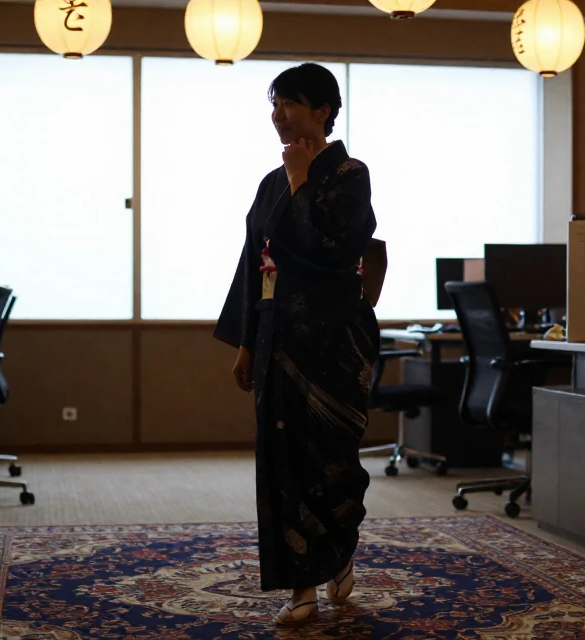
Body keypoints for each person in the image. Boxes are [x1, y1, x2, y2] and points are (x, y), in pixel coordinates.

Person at [213, 63, 378, 627]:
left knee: (330, 463)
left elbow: (331, 253)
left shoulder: (350, 174)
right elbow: (256, 263)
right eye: (274, 104)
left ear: (324, 110)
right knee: (282, 465)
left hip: (333, 345)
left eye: (289, 103)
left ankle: (340, 553)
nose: (279, 115)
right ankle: (301, 586)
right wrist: (245, 341)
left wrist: (305, 181)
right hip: (277, 339)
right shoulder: (270, 180)